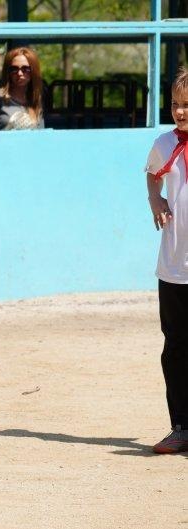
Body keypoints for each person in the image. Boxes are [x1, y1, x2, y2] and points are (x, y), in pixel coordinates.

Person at [146, 67, 188, 454]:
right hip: (174, 268)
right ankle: (181, 427)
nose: (179, 111)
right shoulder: (164, 143)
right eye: (175, 103)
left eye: (187, 104)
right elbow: (152, 175)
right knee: (175, 348)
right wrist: (154, 198)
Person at [0, 47, 44, 131]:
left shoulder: (36, 100)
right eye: (14, 69)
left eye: (25, 69)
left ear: (33, 71)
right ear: (8, 72)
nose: (19, 73)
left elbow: (41, 135)